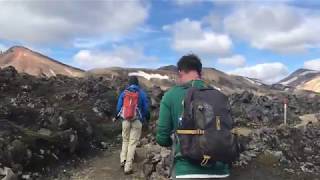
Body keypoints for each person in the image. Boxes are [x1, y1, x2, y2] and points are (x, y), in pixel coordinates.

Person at [156, 54, 231, 179]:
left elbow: (162, 138)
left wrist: (174, 141)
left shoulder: (171, 95)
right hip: (221, 171)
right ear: (200, 72)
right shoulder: (219, 96)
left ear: (180, 72)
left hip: (186, 171)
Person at [115, 76, 149, 174]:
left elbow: (118, 107)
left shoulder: (124, 93)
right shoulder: (142, 93)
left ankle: (123, 160)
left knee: (125, 140)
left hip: (125, 120)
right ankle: (128, 167)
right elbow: (146, 109)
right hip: (137, 121)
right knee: (132, 143)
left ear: (129, 83)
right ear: (137, 83)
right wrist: (146, 118)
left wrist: (117, 116)